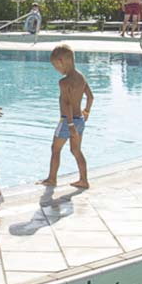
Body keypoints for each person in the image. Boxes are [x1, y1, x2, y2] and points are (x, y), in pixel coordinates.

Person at [41, 44, 95, 189]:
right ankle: (84, 180)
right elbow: (90, 97)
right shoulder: (81, 77)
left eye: (55, 66)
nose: (56, 69)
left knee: (55, 149)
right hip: (80, 120)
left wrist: (70, 125)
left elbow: (67, 104)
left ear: (61, 61)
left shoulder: (64, 82)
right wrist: (86, 111)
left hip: (67, 121)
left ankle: (52, 179)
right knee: (76, 150)